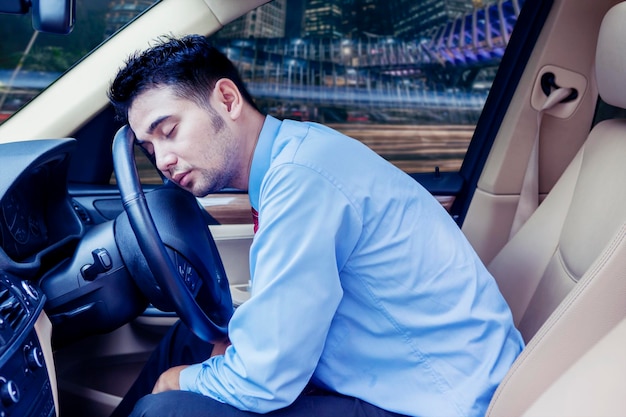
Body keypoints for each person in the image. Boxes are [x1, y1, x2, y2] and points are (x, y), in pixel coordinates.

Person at [107, 34, 524, 417]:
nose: (162, 160)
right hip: (398, 373)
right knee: (192, 340)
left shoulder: (301, 180)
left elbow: (265, 380)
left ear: (228, 100)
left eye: (170, 131)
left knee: (165, 411)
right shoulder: (295, 155)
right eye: (149, 148)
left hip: (442, 402)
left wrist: (173, 381)